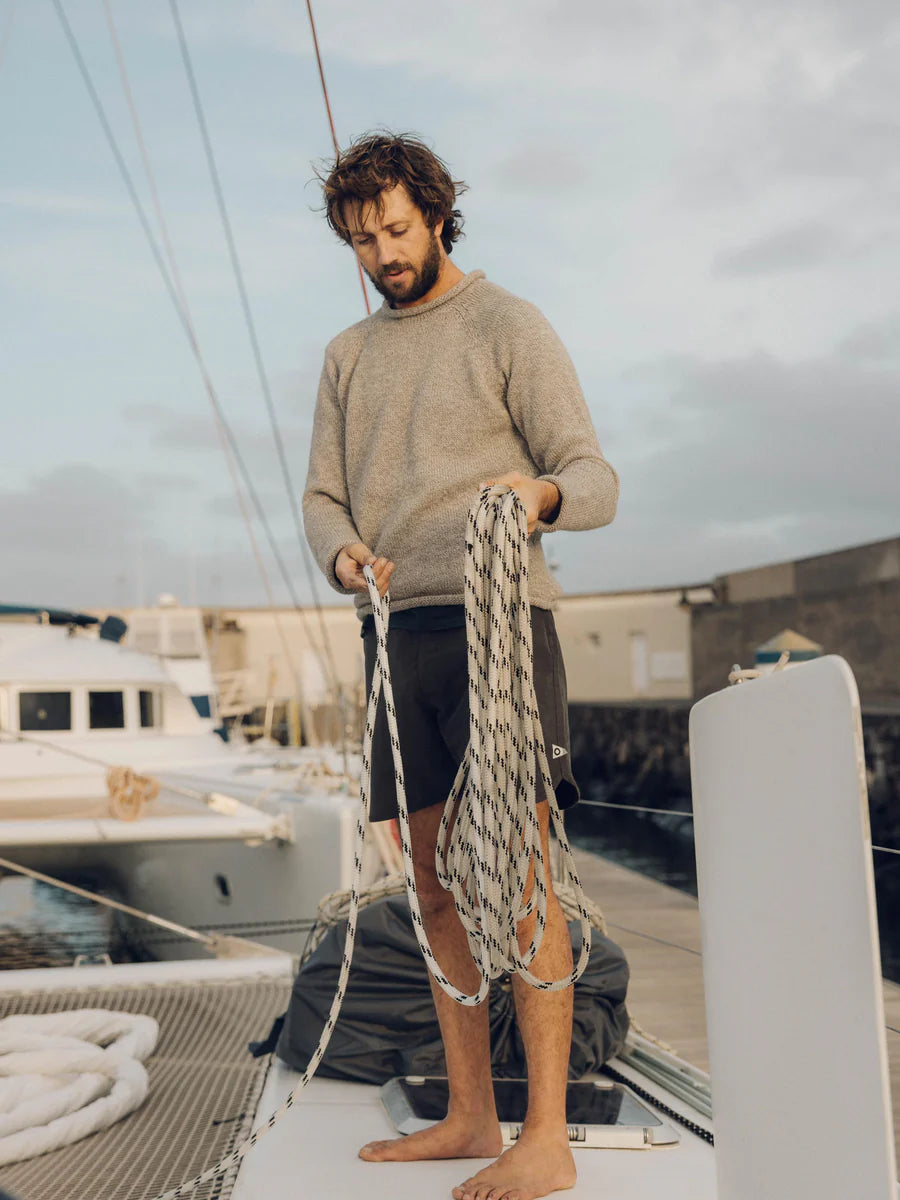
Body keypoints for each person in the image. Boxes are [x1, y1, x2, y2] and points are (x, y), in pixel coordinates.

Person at [302, 132, 619, 1200]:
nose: (381, 253)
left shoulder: (506, 324)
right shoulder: (348, 357)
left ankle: (546, 1135)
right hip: (397, 633)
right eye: (361, 239)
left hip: (500, 625)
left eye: (394, 229)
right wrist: (343, 551)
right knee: (433, 881)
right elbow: (323, 496)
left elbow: (591, 472)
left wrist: (535, 498)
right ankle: (470, 1114)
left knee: (522, 874)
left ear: (437, 213)